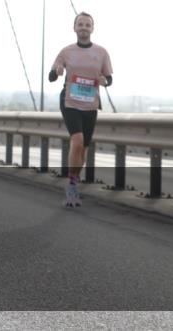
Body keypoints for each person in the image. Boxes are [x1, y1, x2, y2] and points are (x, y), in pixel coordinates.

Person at [48, 12, 113, 208]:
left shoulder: (101, 53)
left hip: (90, 104)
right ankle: (72, 185)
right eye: (80, 24)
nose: (84, 27)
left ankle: (74, 180)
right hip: (70, 102)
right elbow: (51, 76)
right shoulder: (66, 51)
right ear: (74, 28)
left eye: (87, 25)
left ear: (92, 29)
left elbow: (109, 78)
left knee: (83, 150)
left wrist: (105, 81)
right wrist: (57, 72)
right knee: (77, 142)